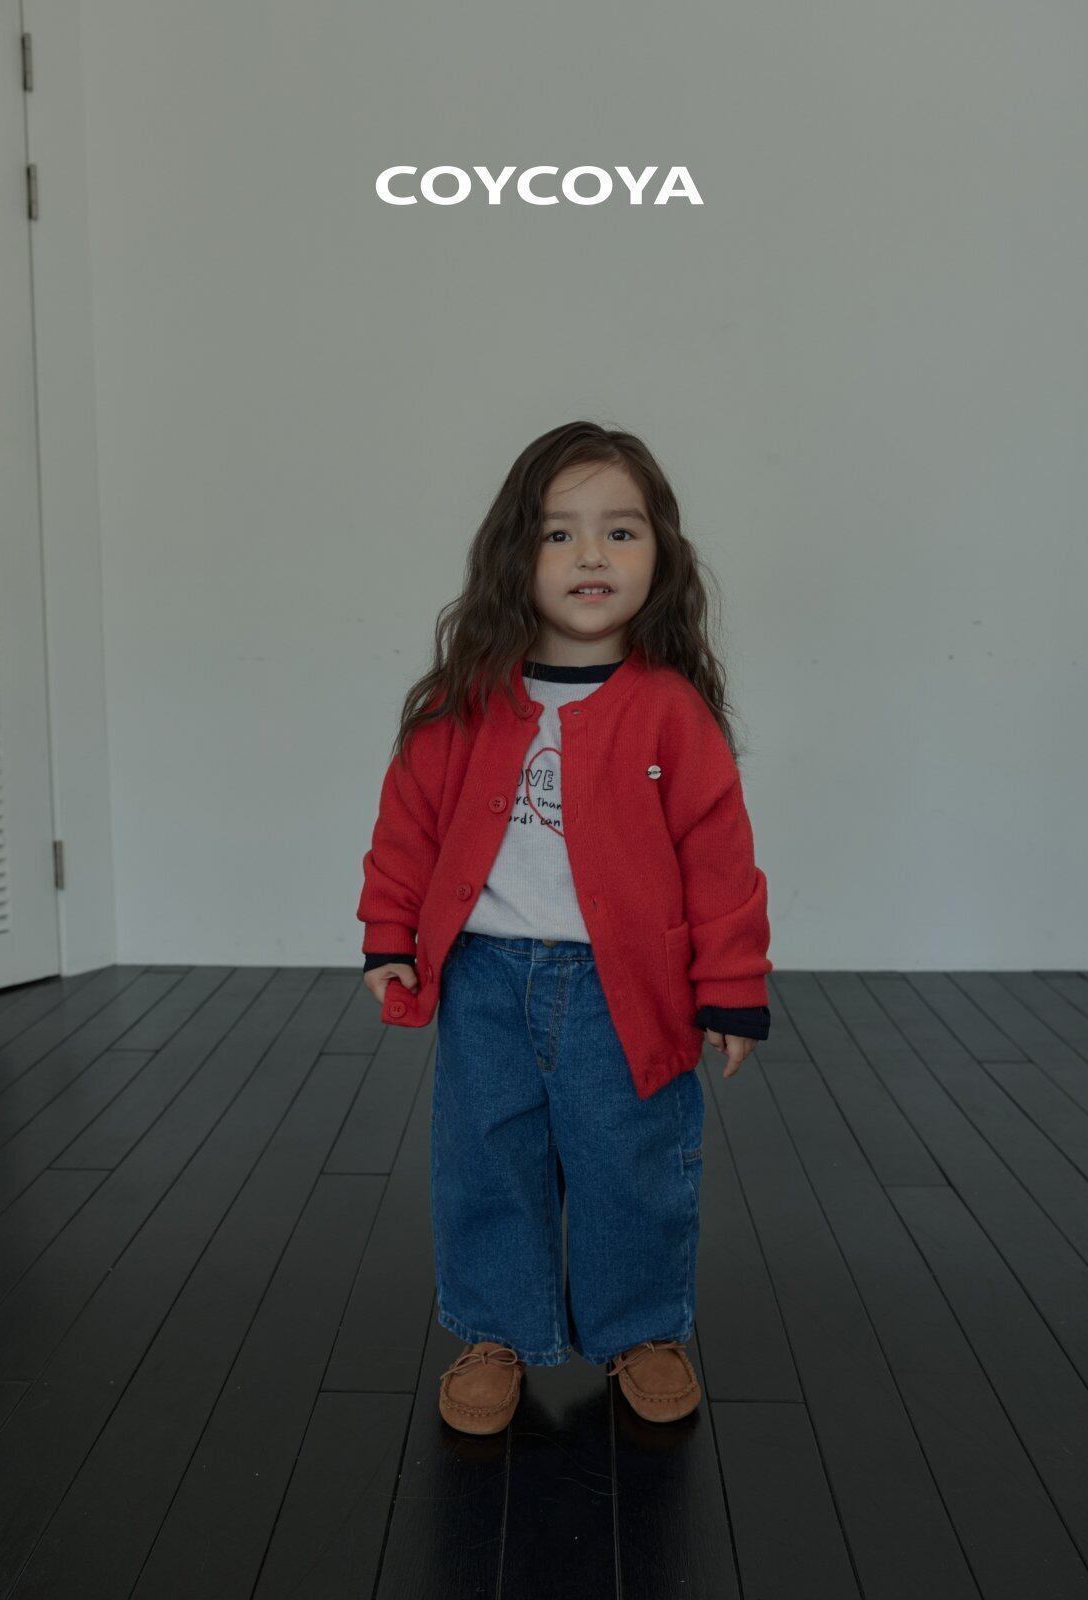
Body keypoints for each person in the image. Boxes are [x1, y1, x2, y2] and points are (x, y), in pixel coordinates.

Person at [356, 420, 772, 1435]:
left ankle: (640, 1329)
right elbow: (407, 828)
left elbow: (719, 859)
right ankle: (495, 1330)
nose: (592, 554)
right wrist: (389, 935)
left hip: (625, 983)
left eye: (620, 531)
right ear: (515, 554)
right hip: (485, 978)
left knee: (632, 1160)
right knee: (486, 1158)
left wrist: (730, 988)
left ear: (659, 555)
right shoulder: (464, 702)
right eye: (559, 533)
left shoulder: (669, 711)